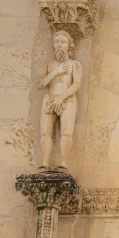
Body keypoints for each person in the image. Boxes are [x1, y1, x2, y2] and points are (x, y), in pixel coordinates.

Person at [38, 30, 82, 171]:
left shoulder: (75, 64)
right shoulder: (49, 65)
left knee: (66, 131)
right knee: (45, 132)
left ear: (69, 45)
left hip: (67, 100)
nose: (59, 45)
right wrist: (54, 73)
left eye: (63, 42)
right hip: (49, 100)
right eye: (57, 42)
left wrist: (61, 97)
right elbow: (40, 84)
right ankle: (45, 162)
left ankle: (64, 162)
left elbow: (76, 84)